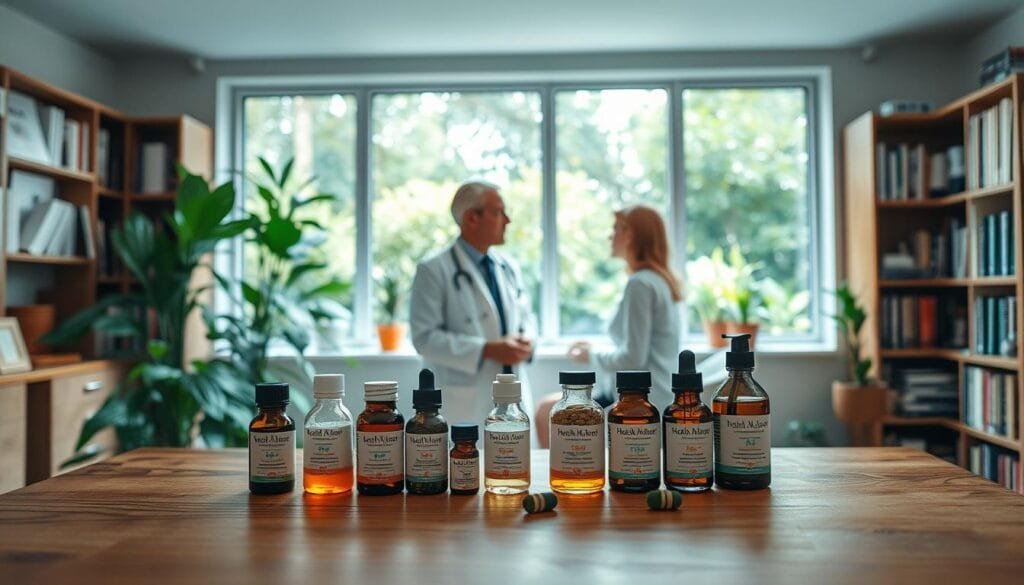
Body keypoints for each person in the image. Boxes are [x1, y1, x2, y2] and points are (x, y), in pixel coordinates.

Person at [536, 205, 682, 447]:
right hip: (648, 394)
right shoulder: (656, 281)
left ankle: (565, 480)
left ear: (632, 235)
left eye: (615, 229)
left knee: (546, 413)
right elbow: (635, 346)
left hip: (641, 401)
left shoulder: (640, 285)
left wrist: (590, 354)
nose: (610, 236)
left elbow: (633, 358)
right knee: (547, 409)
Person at [410, 181, 537, 426]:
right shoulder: (433, 270)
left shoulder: (508, 267)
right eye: (499, 212)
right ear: (471, 218)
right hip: (465, 399)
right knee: (468, 460)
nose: (507, 220)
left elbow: (527, 318)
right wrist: (486, 349)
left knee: (516, 461)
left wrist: (527, 341)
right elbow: (424, 339)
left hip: (512, 394)